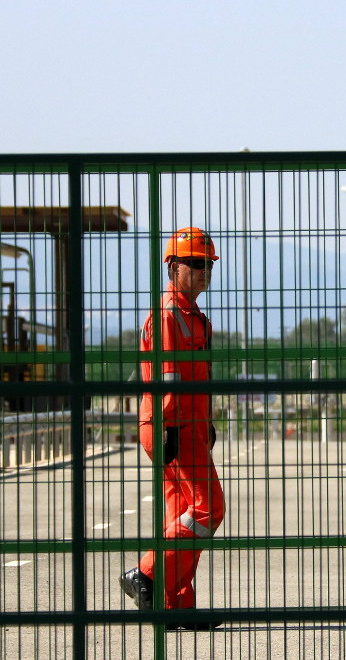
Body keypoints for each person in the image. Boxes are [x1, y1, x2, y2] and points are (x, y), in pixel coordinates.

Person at [120, 226, 225, 629]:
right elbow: (166, 379)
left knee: (183, 515)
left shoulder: (196, 317)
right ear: (172, 266)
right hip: (172, 425)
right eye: (194, 264)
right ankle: (145, 572)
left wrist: (208, 421)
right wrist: (169, 428)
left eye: (207, 264)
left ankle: (175, 605)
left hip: (190, 425)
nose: (203, 271)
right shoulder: (167, 314)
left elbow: (201, 377)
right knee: (209, 508)